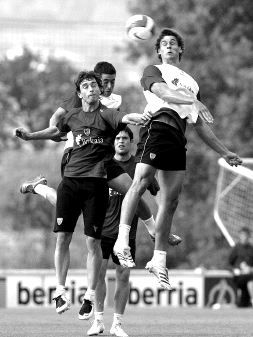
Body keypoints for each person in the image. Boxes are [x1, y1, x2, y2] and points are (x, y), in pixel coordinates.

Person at [113, 28, 242, 290]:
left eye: (174, 43)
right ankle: (122, 241)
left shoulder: (192, 83)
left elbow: (200, 124)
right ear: (159, 50)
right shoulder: (154, 70)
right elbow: (163, 93)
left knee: (171, 201)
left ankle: (158, 260)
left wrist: (224, 152)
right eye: (164, 44)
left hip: (177, 137)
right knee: (141, 182)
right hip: (157, 127)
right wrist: (194, 101)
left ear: (181, 49)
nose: (169, 46)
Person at [15, 70, 149, 320]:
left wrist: (140, 117)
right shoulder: (72, 115)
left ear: (100, 91)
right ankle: (60, 291)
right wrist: (31, 136)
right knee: (62, 237)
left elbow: (125, 116)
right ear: (79, 93)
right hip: (70, 182)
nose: (92, 89)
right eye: (86, 86)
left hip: (96, 185)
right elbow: (55, 131)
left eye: (95, 86)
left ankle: (88, 296)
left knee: (92, 243)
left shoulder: (107, 114)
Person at [87, 127, 138, 337]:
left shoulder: (138, 166)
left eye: (125, 138)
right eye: (117, 138)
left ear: (131, 142)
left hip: (127, 233)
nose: (121, 141)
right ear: (112, 142)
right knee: (99, 274)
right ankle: (98, 321)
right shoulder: (104, 163)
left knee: (123, 276)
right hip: (103, 229)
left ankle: (117, 324)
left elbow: (151, 193)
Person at [229, 227, 253, 307]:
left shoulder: (251, 249)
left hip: (250, 275)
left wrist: (250, 269)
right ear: (240, 236)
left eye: (246, 235)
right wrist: (238, 269)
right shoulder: (236, 248)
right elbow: (229, 262)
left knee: (243, 304)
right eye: (242, 235)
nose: (244, 237)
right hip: (238, 277)